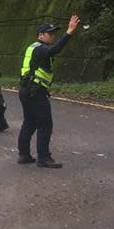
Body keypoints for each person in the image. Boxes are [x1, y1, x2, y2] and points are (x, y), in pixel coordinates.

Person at [17, 15, 81, 168]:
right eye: (50, 33)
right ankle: (43, 157)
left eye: (54, 33)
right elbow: (55, 50)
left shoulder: (34, 47)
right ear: (41, 35)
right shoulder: (40, 48)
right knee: (46, 124)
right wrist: (69, 31)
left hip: (28, 90)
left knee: (30, 122)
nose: (53, 35)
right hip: (35, 91)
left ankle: (24, 154)